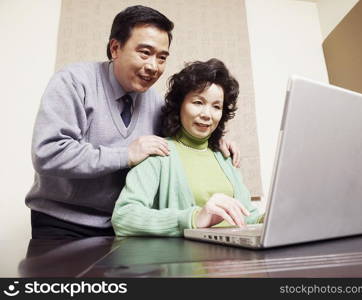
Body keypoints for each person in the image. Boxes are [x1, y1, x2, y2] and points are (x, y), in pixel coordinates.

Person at [26, 5, 240, 239]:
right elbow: (47, 153)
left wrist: (217, 141)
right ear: (115, 48)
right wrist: (125, 155)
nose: (153, 66)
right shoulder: (74, 83)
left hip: (120, 227)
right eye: (145, 53)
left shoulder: (155, 104)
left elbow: (183, 134)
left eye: (161, 57)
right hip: (60, 222)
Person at [111, 59, 263, 237]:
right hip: (187, 260)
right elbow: (123, 217)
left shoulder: (225, 156)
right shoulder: (158, 153)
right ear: (180, 105)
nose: (206, 115)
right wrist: (194, 218)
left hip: (232, 261)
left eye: (216, 106)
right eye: (198, 102)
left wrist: (270, 219)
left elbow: (248, 215)